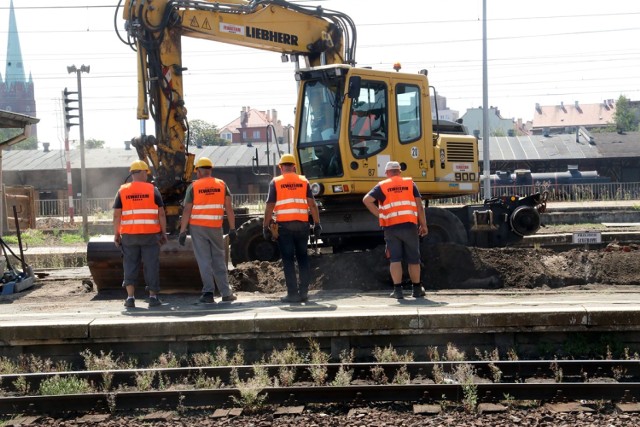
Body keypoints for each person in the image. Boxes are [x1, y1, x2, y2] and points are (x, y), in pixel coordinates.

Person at [362, 161, 428, 299]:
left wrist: (381, 215)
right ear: (399, 171)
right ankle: (416, 289)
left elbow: (366, 200)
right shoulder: (410, 184)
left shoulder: (383, 186)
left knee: (395, 259)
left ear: (387, 173)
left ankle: (397, 291)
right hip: (409, 226)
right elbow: (419, 206)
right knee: (413, 259)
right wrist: (423, 225)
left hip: (391, 227)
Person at [178, 157, 237, 304]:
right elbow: (229, 208)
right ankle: (225, 293)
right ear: (210, 170)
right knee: (219, 259)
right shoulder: (222, 185)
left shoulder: (194, 187)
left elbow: (187, 210)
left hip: (198, 228)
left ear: (197, 171)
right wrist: (232, 228)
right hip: (216, 227)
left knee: (204, 260)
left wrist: (182, 231)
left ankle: (208, 293)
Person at [263, 154, 321, 303]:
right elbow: (312, 204)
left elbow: (270, 206)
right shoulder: (303, 181)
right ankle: (304, 293)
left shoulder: (275, 182)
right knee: (303, 259)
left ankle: (293, 294)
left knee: (288, 260)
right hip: (302, 226)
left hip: (285, 227)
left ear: (281, 168)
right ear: (294, 166)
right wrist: (317, 223)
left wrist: (265, 225)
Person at [113, 160, 168, 308]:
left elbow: (117, 215)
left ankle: (130, 298)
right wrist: (164, 232)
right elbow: (161, 213)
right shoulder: (152, 190)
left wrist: (117, 234)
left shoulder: (122, 190)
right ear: (143, 172)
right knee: (151, 265)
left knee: (130, 265)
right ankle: (153, 297)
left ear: (132, 174)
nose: (147, 176)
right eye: (146, 173)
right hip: (150, 235)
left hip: (129, 236)